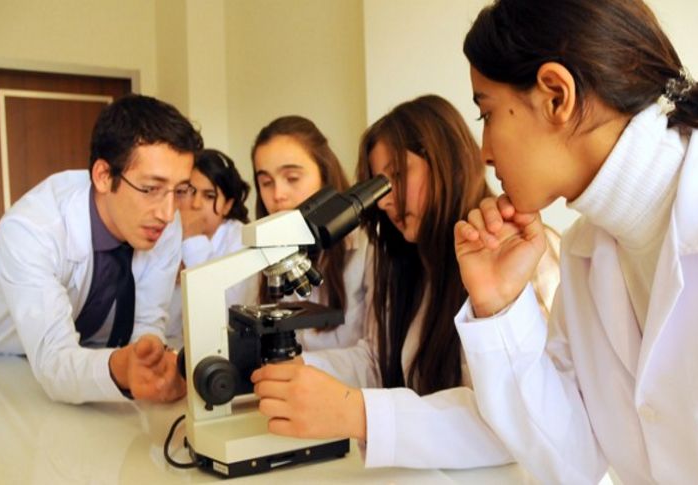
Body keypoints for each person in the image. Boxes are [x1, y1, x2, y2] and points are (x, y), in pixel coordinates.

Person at [453, 1, 698, 483]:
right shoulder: (585, 253)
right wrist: (499, 305)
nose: (484, 152)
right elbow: (572, 459)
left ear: (556, 95)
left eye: (487, 113)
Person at [251, 95, 561, 468]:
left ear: (445, 161)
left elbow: (520, 424)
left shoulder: (520, 253)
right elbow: (377, 360)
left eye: (397, 176)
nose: (384, 201)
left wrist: (360, 414)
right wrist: (294, 373)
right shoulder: (412, 263)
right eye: (378, 185)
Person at [0, 94, 204, 404]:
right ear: (103, 176)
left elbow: (147, 321)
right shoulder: (31, 229)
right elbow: (54, 360)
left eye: (179, 190)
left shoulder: (163, 222)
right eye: (150, 188)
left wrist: (151, 363)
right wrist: (122, 369)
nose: (167, 213)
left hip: (74, 359)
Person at [251, 115, 372, 351]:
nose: (277, 195)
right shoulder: (262, 252)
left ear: (324, 176)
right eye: (266, 182)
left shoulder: (367, 248)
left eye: (292, 178)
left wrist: (298, 367)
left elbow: (376, 357)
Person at [167, 149, 256, 342]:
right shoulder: (167, 231)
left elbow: (224, 318)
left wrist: (192, 239)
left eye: (209, 196)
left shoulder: (243, 241)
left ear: (227, 205)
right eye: (189, 191)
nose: (195, 204)